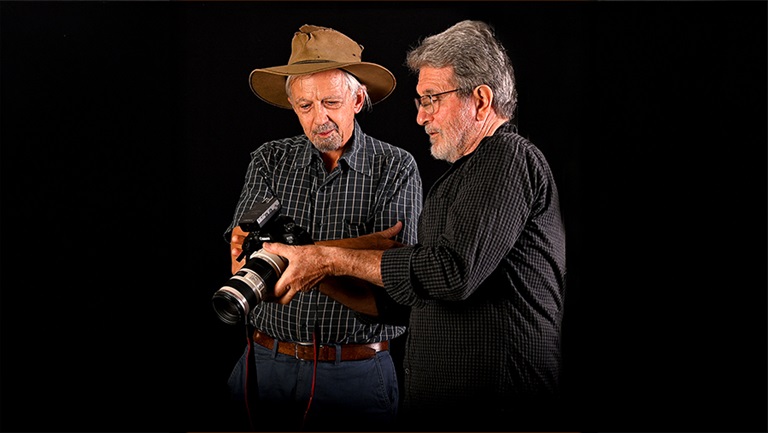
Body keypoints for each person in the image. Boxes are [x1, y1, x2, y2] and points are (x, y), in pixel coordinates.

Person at [262, 20, 567, 430]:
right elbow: (409, 298)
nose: (421, 116)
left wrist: (328, 258)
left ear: (480, 100)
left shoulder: (508, 157)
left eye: (431, 99)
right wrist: (310, 268)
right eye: (420, 101)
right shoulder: (463, 176)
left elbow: (451, 273)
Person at [221, 24, 422, 431]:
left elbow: (394, 290)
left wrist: (298, 258)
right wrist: (358, 249)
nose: (319, 118)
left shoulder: (395, 167)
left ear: (358, 99)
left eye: (331, 102)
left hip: (356, 375)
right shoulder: (268, 160)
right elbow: (244, 261)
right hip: (263, 365)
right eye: (305, 105)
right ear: (292, 104)